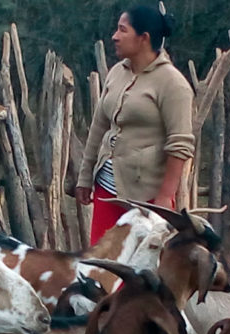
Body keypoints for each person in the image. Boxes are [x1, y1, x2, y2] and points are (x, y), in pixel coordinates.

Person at [75, 3, 194, 246]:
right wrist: (85, 177)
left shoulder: (173, 84)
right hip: (107, 191)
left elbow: (180, 145)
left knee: (142, 268)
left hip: (146, 196)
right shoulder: (117, 73)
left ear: (144, 38)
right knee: (103, 262)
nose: (115, 37)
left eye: (122, 30)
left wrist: (164, 197)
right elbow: (99, 126)